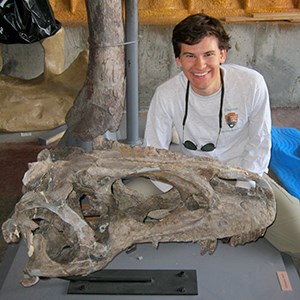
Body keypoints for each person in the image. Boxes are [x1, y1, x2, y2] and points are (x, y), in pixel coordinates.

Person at [143, 13, 300, 259]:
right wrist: (188, 195)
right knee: (127, 206)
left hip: (243, 177)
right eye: (190, 56)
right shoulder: (166, 95)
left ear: (222, 55)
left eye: (208, 54)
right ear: (178, 60)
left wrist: (241, 194)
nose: (200, 65)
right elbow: (153, 154)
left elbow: (259, 144)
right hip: (188, 179)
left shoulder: (251, 84)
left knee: (298, 234)